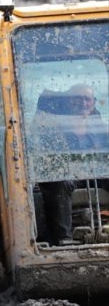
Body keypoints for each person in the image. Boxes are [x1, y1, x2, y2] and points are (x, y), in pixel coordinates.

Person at [36, 83, 108, 246]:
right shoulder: (51, 129)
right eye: (77, 98)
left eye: (87, 99)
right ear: (67, 101)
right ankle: (65, 239)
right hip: (64, 174)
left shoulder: (101, 128)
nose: (83, 103)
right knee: (60, 182)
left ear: (93, 102)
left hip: (96, 173)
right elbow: (46, 159)